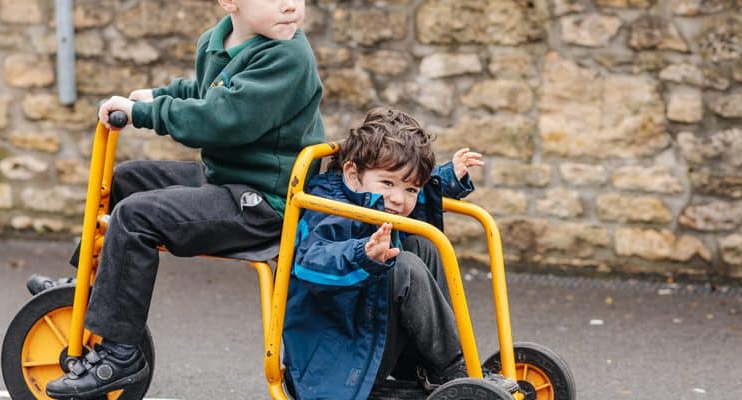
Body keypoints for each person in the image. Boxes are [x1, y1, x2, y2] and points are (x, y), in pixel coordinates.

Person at [41, 0, 323, 398]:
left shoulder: (288, 56)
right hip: (226, 180)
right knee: (126, 181)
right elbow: (204, 90)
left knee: (136, 216)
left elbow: (222, 117)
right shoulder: (217, 41)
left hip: (264, 203)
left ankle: (120, 355)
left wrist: (148, 113)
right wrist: (157, 94)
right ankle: (89, 287)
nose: (291, 5)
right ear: (230, 3)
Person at [282, 107, 518, 400]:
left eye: (411, 188)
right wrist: (361, 255)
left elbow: (405, 201)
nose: (398, 198)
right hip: (333, 360)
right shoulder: (326, 207)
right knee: (403, 266)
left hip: (370, 335)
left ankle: (443, 368)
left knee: (424, 246)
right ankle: (454, 371)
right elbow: (308, 264)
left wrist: (446, 179)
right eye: (388, 183)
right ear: (352, 174)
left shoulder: (374, 197)